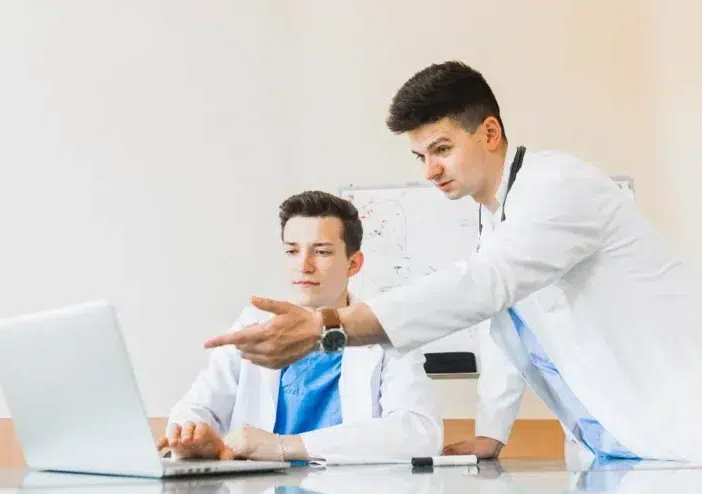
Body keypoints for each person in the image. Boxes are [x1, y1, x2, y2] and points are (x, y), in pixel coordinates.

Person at [205, 61, 702, 463]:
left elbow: (487, 286)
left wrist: (328, 325)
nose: (429, 170)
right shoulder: (495, 219)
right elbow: (507, 326)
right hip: (618, 444)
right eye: (420, 155)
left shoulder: (560, 187)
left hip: (677, 429)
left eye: (441, 149)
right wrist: (491, 431)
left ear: (489, 132)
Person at [159, 191, 443, 462]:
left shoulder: (384, 332)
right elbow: (198, 406)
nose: (304, 266)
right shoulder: (253, 324)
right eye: (292, 251)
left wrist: (285, 446)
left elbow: (420, 433)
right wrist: (189, 433)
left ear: (353, 263)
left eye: (321, 252)